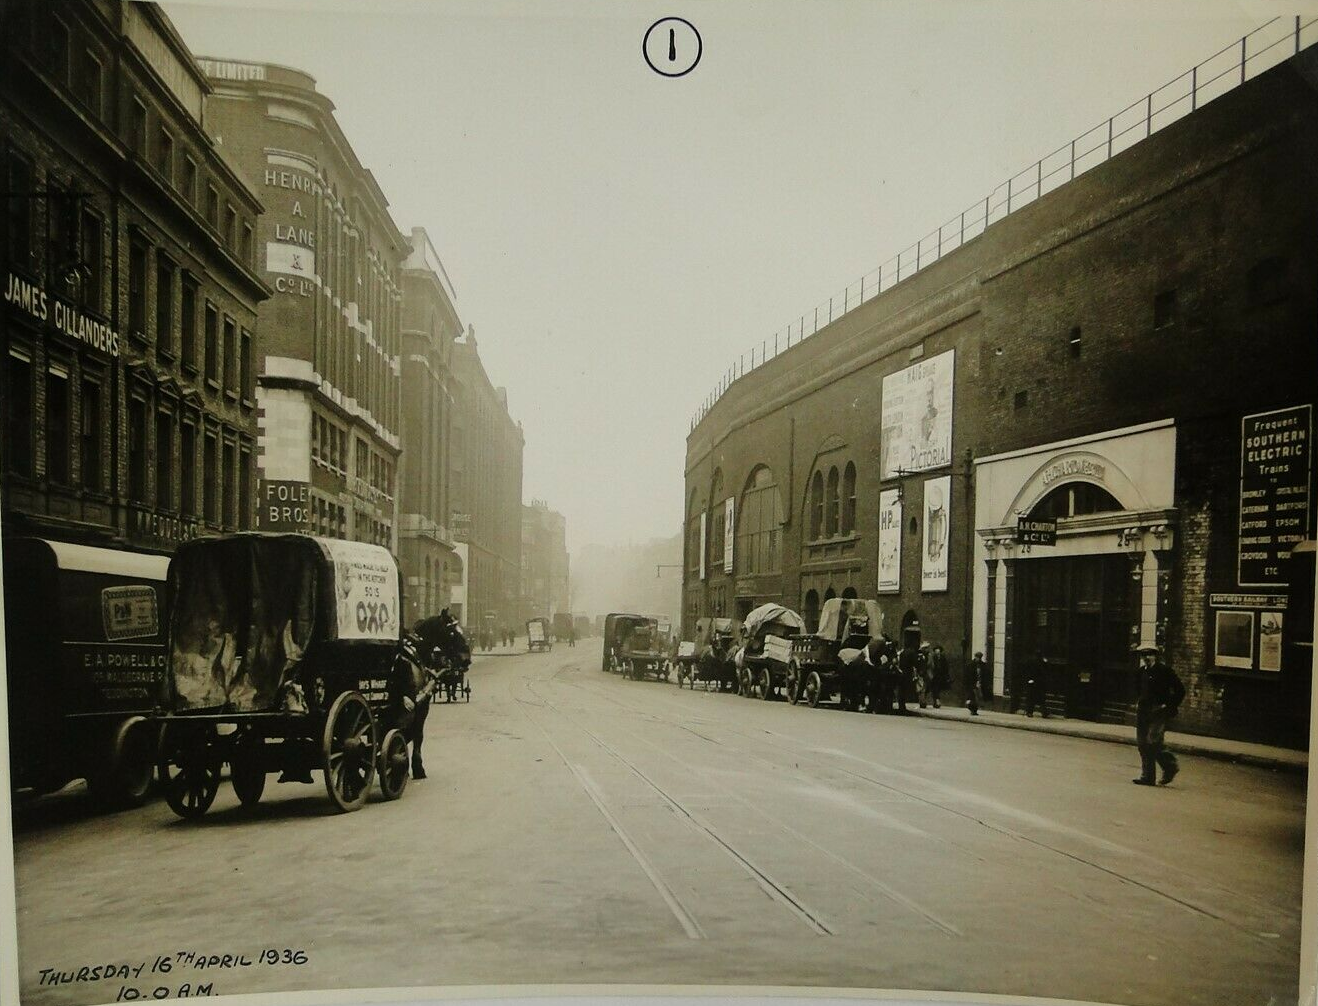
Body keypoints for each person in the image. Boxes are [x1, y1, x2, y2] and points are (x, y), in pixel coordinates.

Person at [1133, 644, 1185, 786]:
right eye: (1144, 655)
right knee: (1142, 744)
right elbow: (1138, 690)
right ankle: (1147, 777)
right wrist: (1138, 702)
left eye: (1150, 654)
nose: (1146, 658)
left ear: (1155, 655)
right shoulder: (1140, 672)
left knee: (1153, 741)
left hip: (1159, 712)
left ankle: (1170, 766)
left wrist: (1168, 704)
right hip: (1143, 711)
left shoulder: (1164, 671)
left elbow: (1180, 690)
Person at [1023, 649, 1049, 718]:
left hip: (1032, 682)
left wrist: (1029, 679)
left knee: (1031, 698)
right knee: (1041, 698)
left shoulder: (1031, 661)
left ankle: (1030, 712)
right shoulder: (1042, 661)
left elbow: (1027, 671)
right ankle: (1044, 712)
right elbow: (1044, 671)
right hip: (1039, 682)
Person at [929, 645, 950, 709]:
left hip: (941, 675)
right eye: (936, 650)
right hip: (934, 675)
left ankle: (936, 701)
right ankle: (936, 701)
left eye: (938, 650)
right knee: (935, 688)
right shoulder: (933, 657)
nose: (937, 652)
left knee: (938, 688)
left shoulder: (943, 658)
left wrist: (947, 676)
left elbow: (946, 667)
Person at [964, 651, 985, 716]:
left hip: (979, 684)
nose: (978, 659)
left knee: (977, 698)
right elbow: (967, 675)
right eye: (977, 657)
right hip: (972, 684)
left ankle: (974, 710)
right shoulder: (970, 665)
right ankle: (972, 709)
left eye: (979, 657)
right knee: (972, 697)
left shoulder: (983, 665)